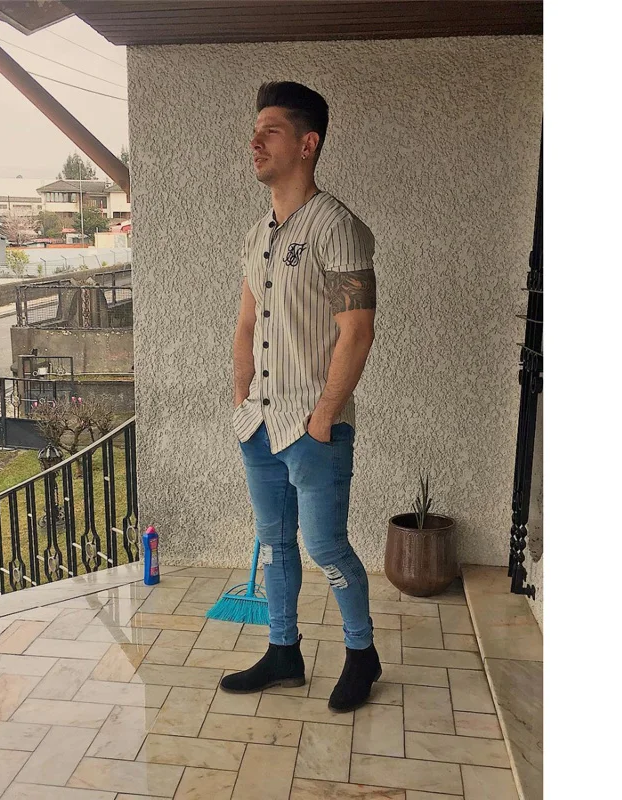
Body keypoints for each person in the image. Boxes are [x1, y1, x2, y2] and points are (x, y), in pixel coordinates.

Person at [221, 81, 381, 712]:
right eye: (255, 130)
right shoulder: (257, 233)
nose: (255, 141)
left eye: (272, 131)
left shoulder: (337, 227)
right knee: (276, 545)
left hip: (314, 429)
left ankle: (362, 654)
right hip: (258, 425)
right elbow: (246, 323)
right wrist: (242, 398)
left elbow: (357, 330)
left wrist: (323, 418)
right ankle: (283, 651)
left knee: (326, 547)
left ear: (308, 144)